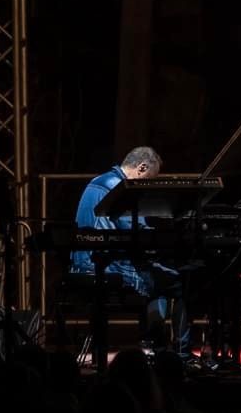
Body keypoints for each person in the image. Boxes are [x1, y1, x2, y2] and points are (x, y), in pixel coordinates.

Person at [70, 146, 190, 357]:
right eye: (149, 180)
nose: (147, 187)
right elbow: (135, 229)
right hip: (107, 264)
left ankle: (155, 347)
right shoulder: (120, 187)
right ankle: (176, 352)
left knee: (159, 275)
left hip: (83, 261)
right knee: (178, 282)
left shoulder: (99, 181)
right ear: (141, 168)